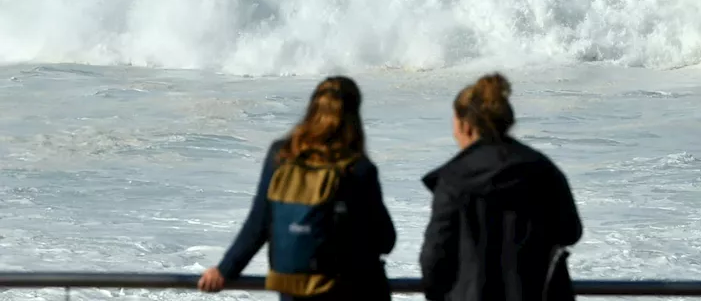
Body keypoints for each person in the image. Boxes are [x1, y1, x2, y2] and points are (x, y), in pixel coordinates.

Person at [197, 76, 397, 300]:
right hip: (342, 289)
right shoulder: (357, 168)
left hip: (292, 289)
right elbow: (386, 239)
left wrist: (225, 270)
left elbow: (259, 224)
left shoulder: (282, 155)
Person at [419, 73, 583, 301]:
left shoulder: (454, 178)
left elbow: (434, 257)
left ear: (466, 126)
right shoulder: (543, 169)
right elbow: (570, 232)